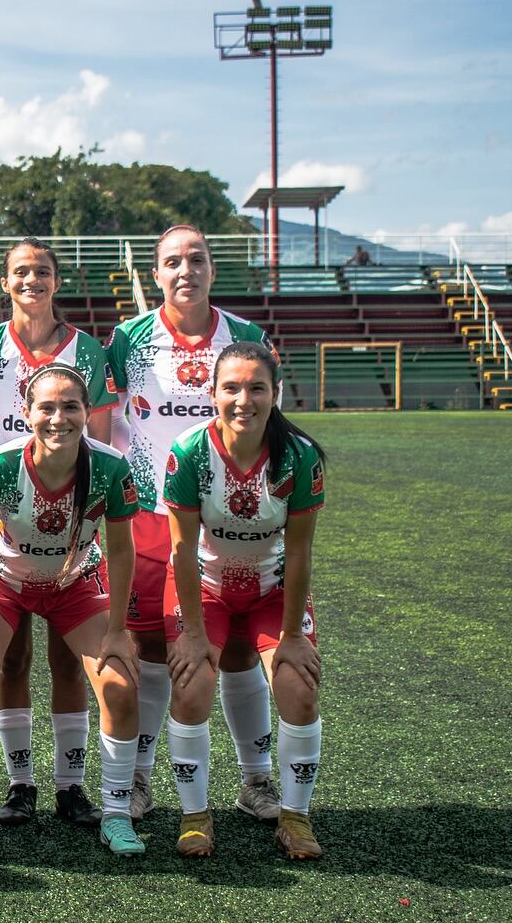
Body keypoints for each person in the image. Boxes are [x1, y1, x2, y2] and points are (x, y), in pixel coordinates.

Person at [105, 224, 284, 823]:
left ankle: (257, 780)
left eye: (197, 259)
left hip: (225, 522)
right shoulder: (128, 339)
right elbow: (107, 431)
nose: (186, 270)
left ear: (212, 269)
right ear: (155, 274)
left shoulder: (247, 337)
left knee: (232, 648)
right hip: (149, 521)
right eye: (172, 261)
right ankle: (134, 774)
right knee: (149, 648)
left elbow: (269, 427)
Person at [0, 364, 143, 857]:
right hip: (4, 580)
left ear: (86, 411)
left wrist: (119, 630)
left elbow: (122, 551)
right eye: (47, 408)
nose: (59, 418)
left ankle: (108, 809)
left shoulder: (109, 467)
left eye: (71, 406)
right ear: (26, 413)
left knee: (118, 686)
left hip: (73, 581)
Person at [0, 237, 119, 828]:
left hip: (71, 532)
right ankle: (21, 784)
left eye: (43, 272)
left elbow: (96, 440)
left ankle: (71, 786)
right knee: (11, 658)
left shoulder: (89, 351)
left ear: (58, 280)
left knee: (66, 658)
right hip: (8, 520)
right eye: (21, 272)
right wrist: (6, 495)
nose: (32, 280)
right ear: (4, 282)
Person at [162, 342, 326, 859]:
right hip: (203, 590)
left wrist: (294, 636)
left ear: (275, 394)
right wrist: (191, 633)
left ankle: (295, 819)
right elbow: (182, 548)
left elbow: (299, 552)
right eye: (231, 387)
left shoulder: (299, 458)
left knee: (298, 688)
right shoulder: (188, 452)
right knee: (192, 686)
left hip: (272, 592)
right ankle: (195, 816)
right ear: (212, 393)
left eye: (257, 387)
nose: (243, 399)